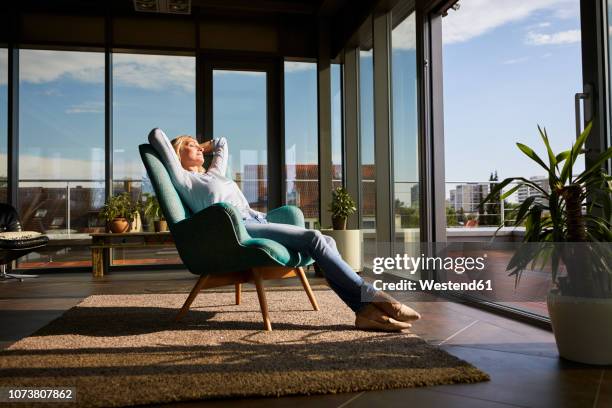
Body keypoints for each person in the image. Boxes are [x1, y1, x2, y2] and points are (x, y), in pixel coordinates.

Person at [148, 128, 421, 331]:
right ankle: (371, 295)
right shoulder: (184, 180)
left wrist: (204, 147)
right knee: (315, 237)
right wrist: (177, 149)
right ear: (177, 154)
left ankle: (364, 312)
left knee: (326, 240)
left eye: (198, 146)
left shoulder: (215, 174)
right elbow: (156, 136)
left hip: (258, 220)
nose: (197, 149)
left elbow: (222, 142)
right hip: (237, 229)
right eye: (190, 146)